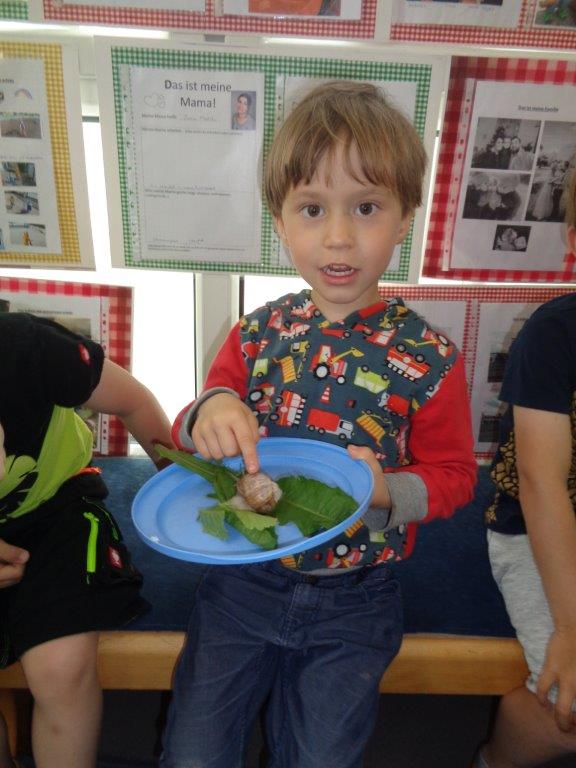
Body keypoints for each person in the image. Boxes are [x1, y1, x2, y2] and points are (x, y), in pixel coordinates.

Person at [160, 80, 477, 768]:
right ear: (280, 222)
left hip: (357, 602)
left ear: (405, 218)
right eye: (312, 209)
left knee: (321, 758)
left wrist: (389, 489)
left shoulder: (431, 358)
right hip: (242, 584)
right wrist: (211, 409)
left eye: (366, 207)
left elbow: (456, 476)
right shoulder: (255, 333)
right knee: (193, 752)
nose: (338, 236)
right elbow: (191, 425)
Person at [0, 312, 174, 768]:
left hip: (57, 509)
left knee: (60, 669)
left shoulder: (30, 350)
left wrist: (180, 483)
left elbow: (134, 401)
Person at [474, 168, 576, 768]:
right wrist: (570, 626)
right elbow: (541, 484)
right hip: (537, 528)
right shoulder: (555, 333)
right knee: (568, 710)